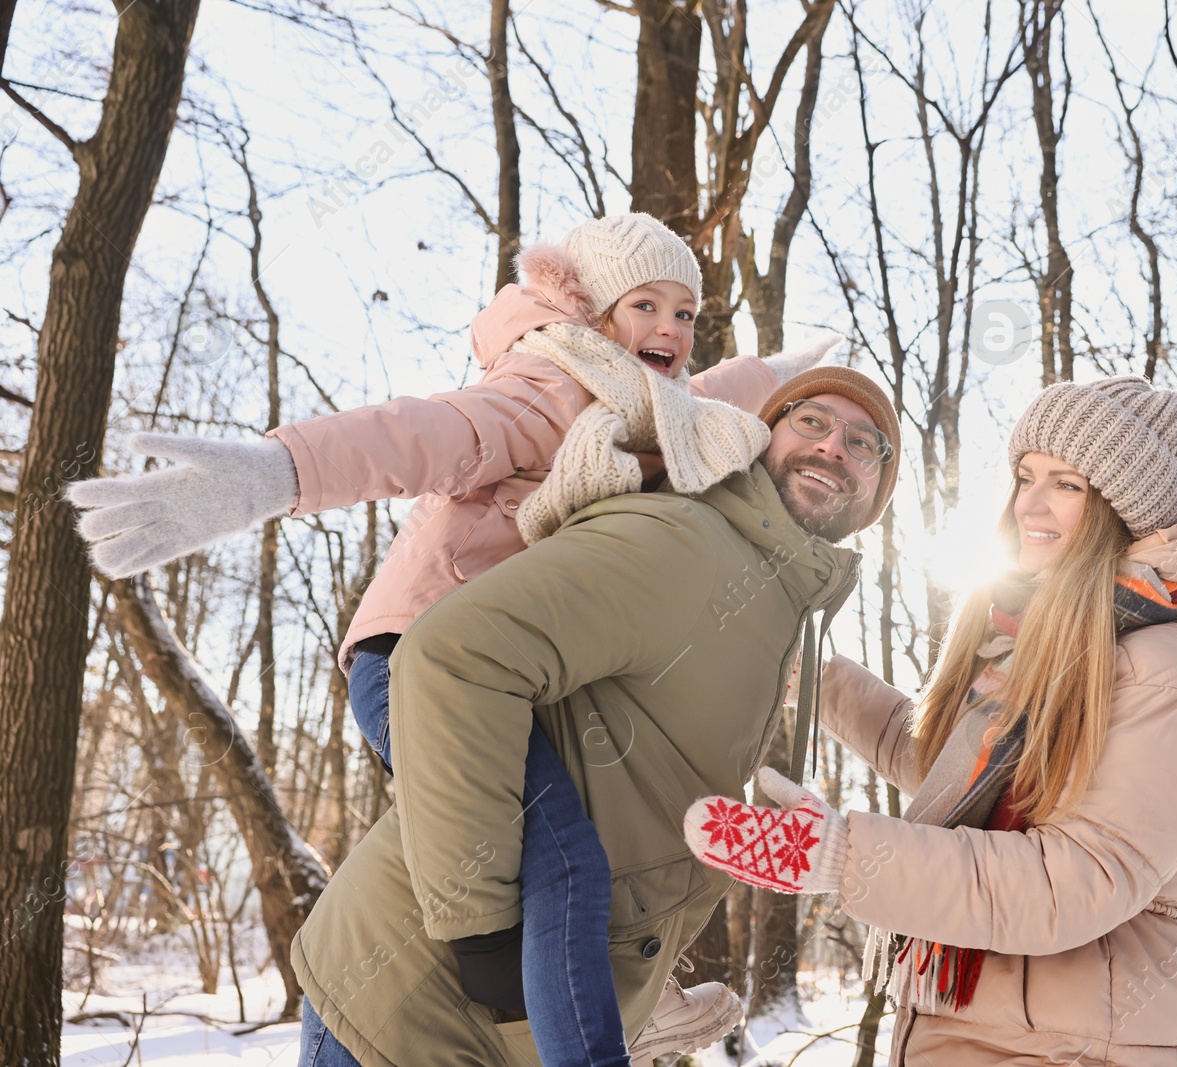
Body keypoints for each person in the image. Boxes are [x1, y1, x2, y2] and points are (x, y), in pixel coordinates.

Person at [66, 212, 838, 1062]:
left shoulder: (658, 410)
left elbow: (715, 394)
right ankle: (579, 1035)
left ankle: (590, 1003)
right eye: (646, 304)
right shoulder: (548, 388)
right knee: (565, 857)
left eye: (686, 313)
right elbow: (418, 435)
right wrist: (273, 474)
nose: (669, 328)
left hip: (509, 673)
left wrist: (788, 378)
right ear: (593, 312)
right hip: (414, 656)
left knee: (563, 835)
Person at [289, 365, 901, 1066]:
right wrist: (483, 931)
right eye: (812, 421)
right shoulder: (686, 541)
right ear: (763, 437)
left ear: (879, 491)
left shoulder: (770, 605)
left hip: (508, 1032)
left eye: (865, 443)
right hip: (414, 1006)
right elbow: (449, 658)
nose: (832, 446)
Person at [686, 376, 1177, 1066]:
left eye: (1067, 484)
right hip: (991, 1023)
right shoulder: (1061, 634)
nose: (1029, 501)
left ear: (1124, 508)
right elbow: (952, 770)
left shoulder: (1170, 670)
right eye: (1026, 475)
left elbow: (1069, 882)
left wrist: (842, 856)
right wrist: (816, 678)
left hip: (1075, 1043)